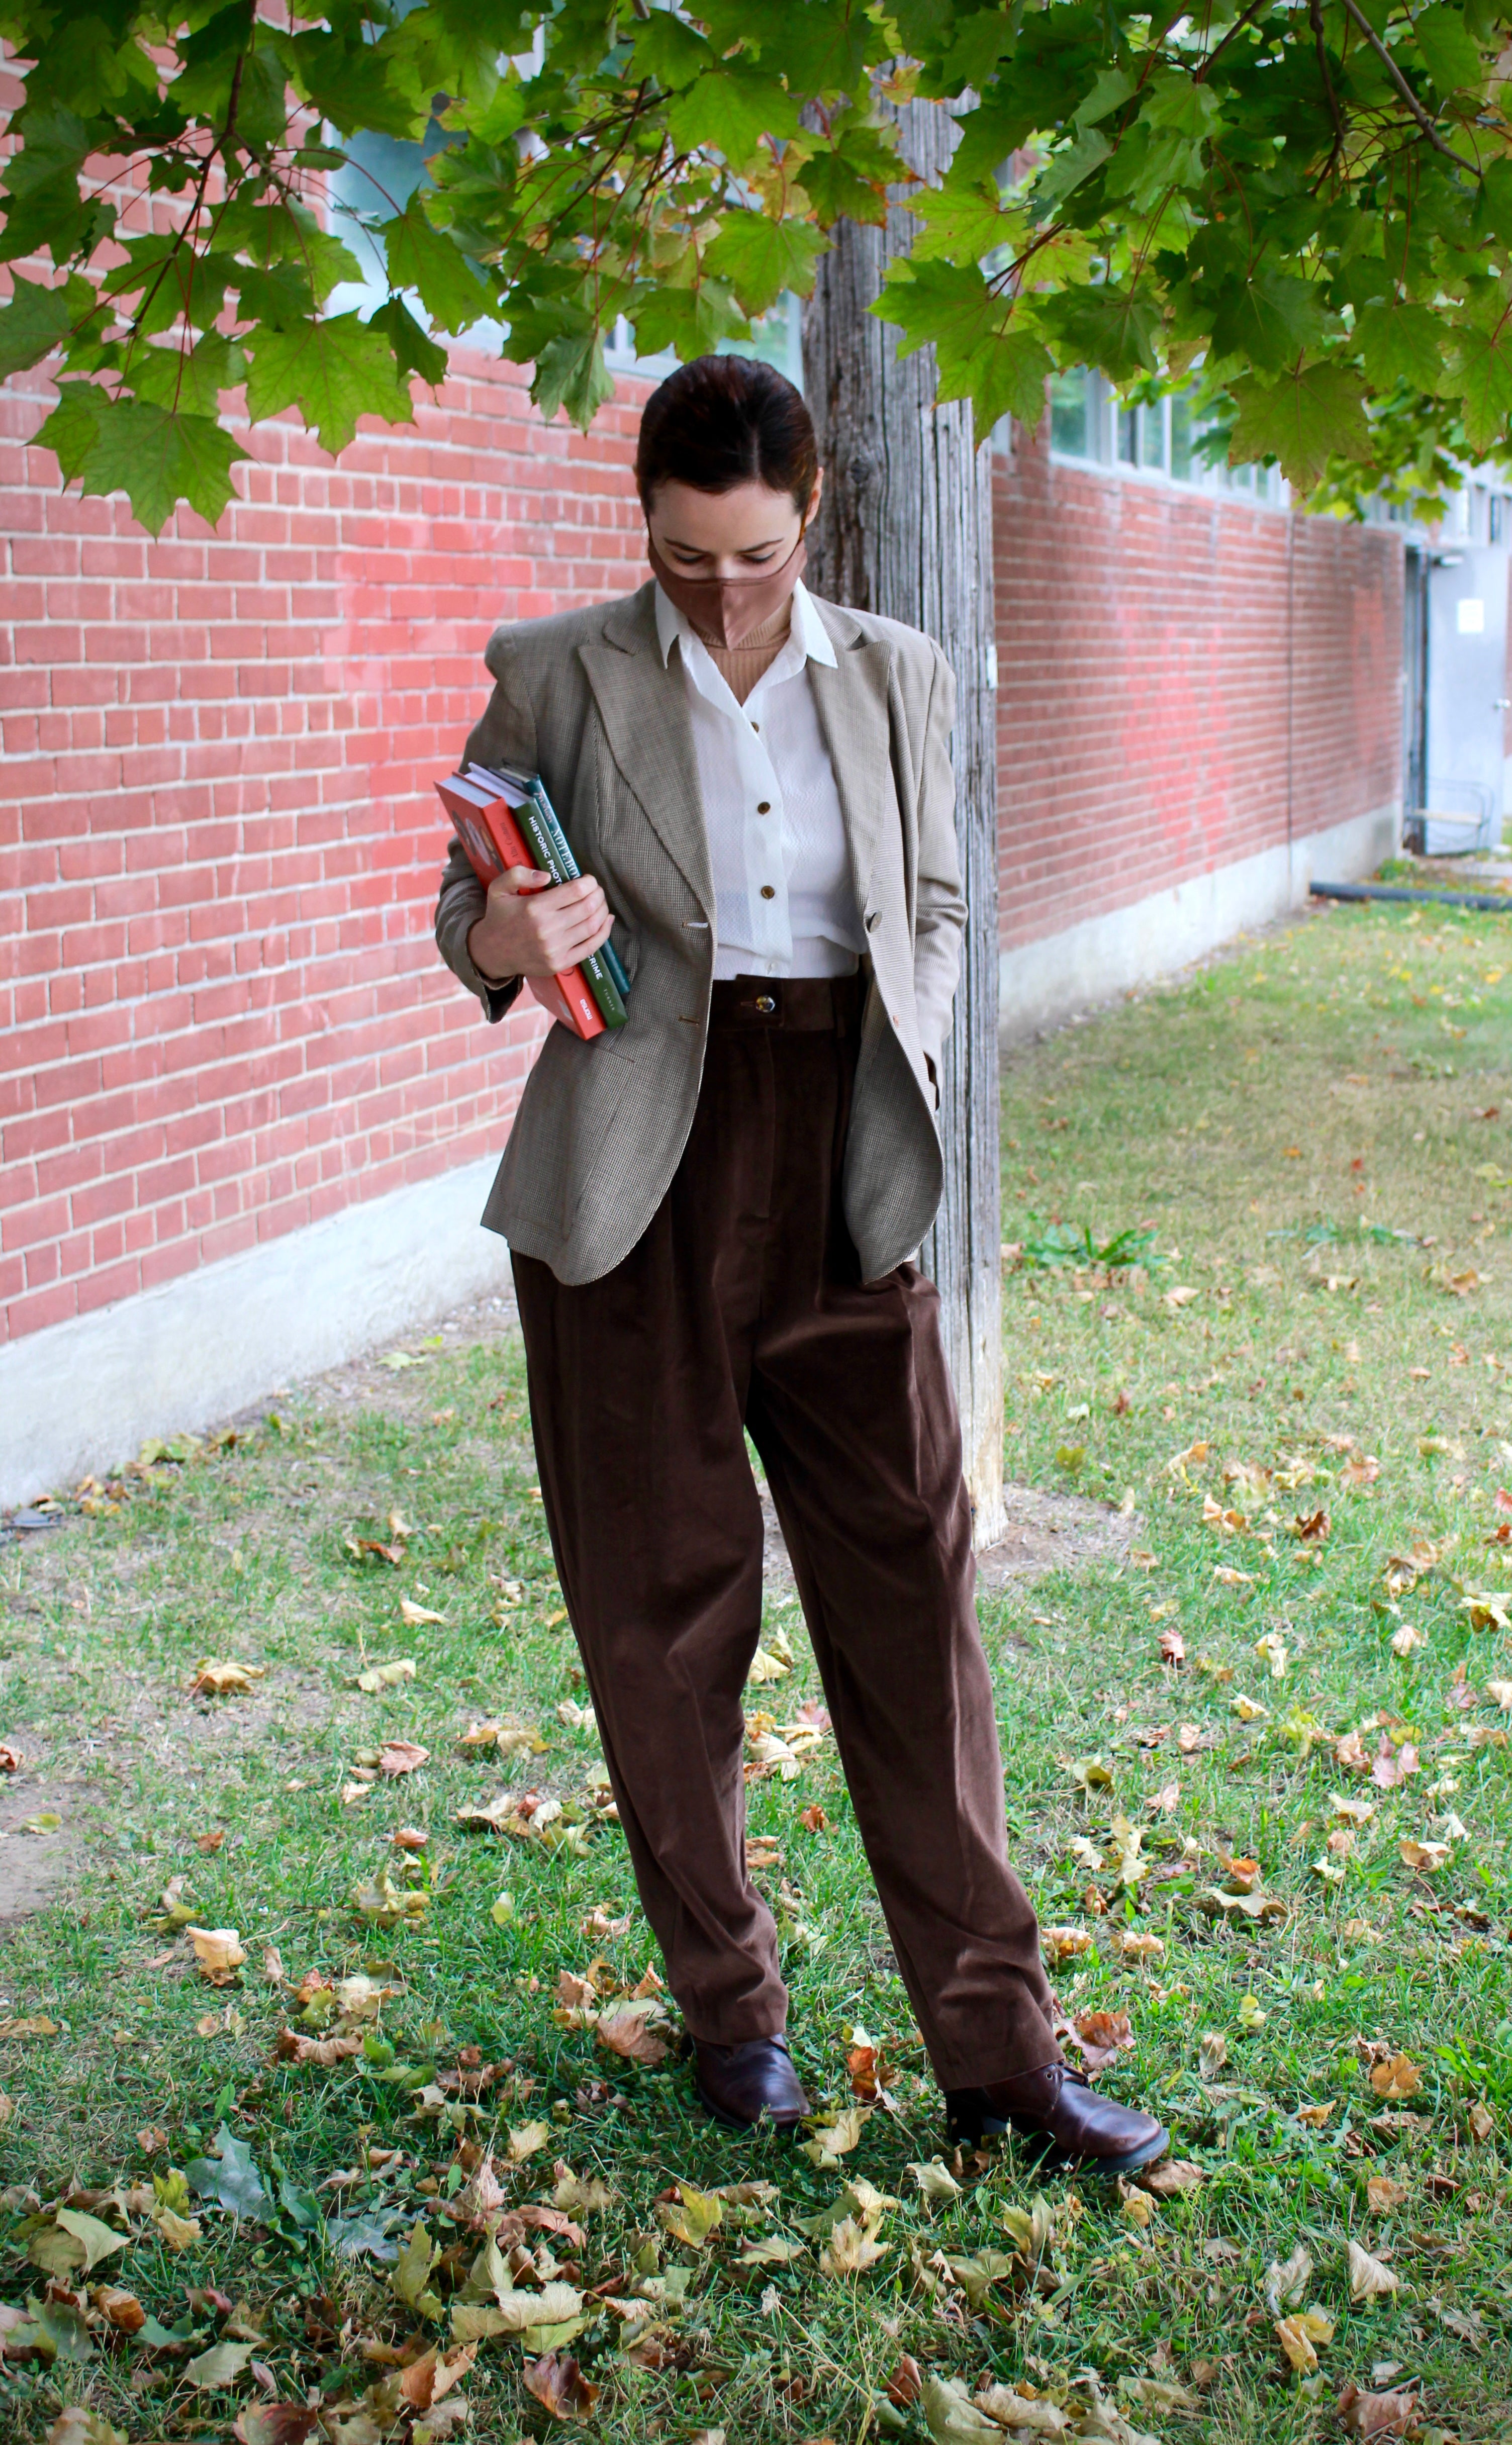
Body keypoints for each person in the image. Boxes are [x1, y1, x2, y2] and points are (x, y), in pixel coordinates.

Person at [434, 354, 1166, 2174]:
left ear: (810, 510)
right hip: (637, 1186)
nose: (720, 593)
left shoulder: (899, 675)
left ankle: (998, 2055)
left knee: (915, 1609)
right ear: (646, 526)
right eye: (684, 560)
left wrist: (903, 1068)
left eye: (752, 555)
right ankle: (730, 2012)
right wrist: (508, 932)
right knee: (662, 1620)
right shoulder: (560, 668)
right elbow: (465, 907)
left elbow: (932, 894)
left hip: (845, 1166)